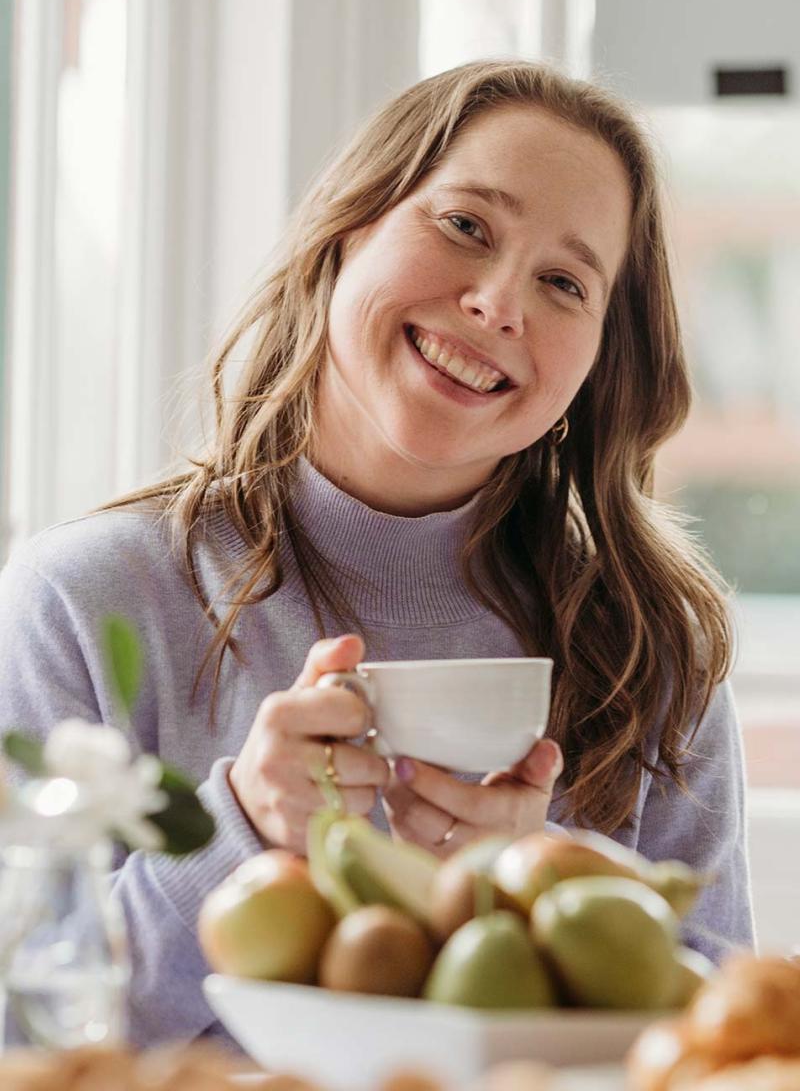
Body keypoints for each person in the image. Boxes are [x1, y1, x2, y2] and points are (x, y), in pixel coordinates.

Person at [0, 60, 754, 1048]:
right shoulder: (85, 603)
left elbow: (733, 1040)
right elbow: (25, 1031)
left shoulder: (649, 645)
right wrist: (236, 827)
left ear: (598, 355)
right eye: (464, 225)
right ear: (348, 225)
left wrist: (550, 879)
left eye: (562, 281)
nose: (495, 303)